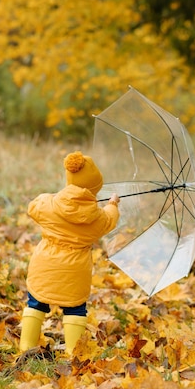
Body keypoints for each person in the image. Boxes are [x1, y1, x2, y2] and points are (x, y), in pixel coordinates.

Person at [19, 151, 120, 355]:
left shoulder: (49, 204)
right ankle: (73, 352)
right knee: (75, 307)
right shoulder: (97, 218)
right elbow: (110, 219)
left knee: (36, 301)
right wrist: (112, 204)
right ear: (94, 190)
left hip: (45, 264)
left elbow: (33, 207)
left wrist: (54, 197)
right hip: (75, 270)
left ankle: (25, 347)